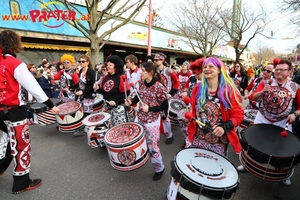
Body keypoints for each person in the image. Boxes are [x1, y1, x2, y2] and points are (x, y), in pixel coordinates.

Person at [0, 29, 60, 194]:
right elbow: (33, 86)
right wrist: (49, 104)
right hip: (13, 111)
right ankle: (21, 182)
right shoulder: (15, 64)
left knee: (5, 142)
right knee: (21, 145)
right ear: (15, 43)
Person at [237, 59, 300, 186]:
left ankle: (284, 173)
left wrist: (294, 114)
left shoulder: (295, 87)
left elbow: (299, 106)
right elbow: (251, 97)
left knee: (285, 147)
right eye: (277, 69)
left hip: (282, 121)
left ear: (289, 72)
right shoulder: (266, 82)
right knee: (253, 140)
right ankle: (247, 163)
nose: (278, 72)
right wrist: (262, 91)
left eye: (282, 69)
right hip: (263, 117)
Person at [185, 57, 244, 157]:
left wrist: (224, 127)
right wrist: (190, 116)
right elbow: (195, 109)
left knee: (212, 171)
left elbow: (238, 116)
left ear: (219, 70)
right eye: (205, 67)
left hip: (218, 144)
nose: (207, 69)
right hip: (197, 138)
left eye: (211, 66)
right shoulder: (197, 88)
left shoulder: (229, 91)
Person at [124, 61, 168, 181]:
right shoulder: (140, 83)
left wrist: (151, 108)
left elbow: (165, 105)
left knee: (152, 146)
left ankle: (159, 168)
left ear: (151, 72)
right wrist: (130, 102)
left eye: (143, 70)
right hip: (140, 117)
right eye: (141, 70)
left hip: (152, 120)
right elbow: (137, 97)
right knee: (138, 141)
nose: (141, 72)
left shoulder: (159, 87)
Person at [93, 55, 130, 126]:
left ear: (116, 66)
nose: (108, 66)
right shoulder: (105, 77)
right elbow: (105, 90)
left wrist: (116, 101)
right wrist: (97, 89)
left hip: (118, 108)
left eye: (111, 65)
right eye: (107, 65)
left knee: (119, 130)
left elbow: (127, 92)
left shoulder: (120, 77)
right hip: (108, 107)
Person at [154, 52, 179, 144]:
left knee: (165, 116)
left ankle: (169, 135)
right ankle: (155, 134)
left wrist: (171, 93)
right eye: (154, 59)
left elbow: (176, 82)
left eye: (157, 60)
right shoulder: (154, 70)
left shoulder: (168, 71)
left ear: (162, 60)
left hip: (165, 96)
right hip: (156, 96)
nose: (155, 61)